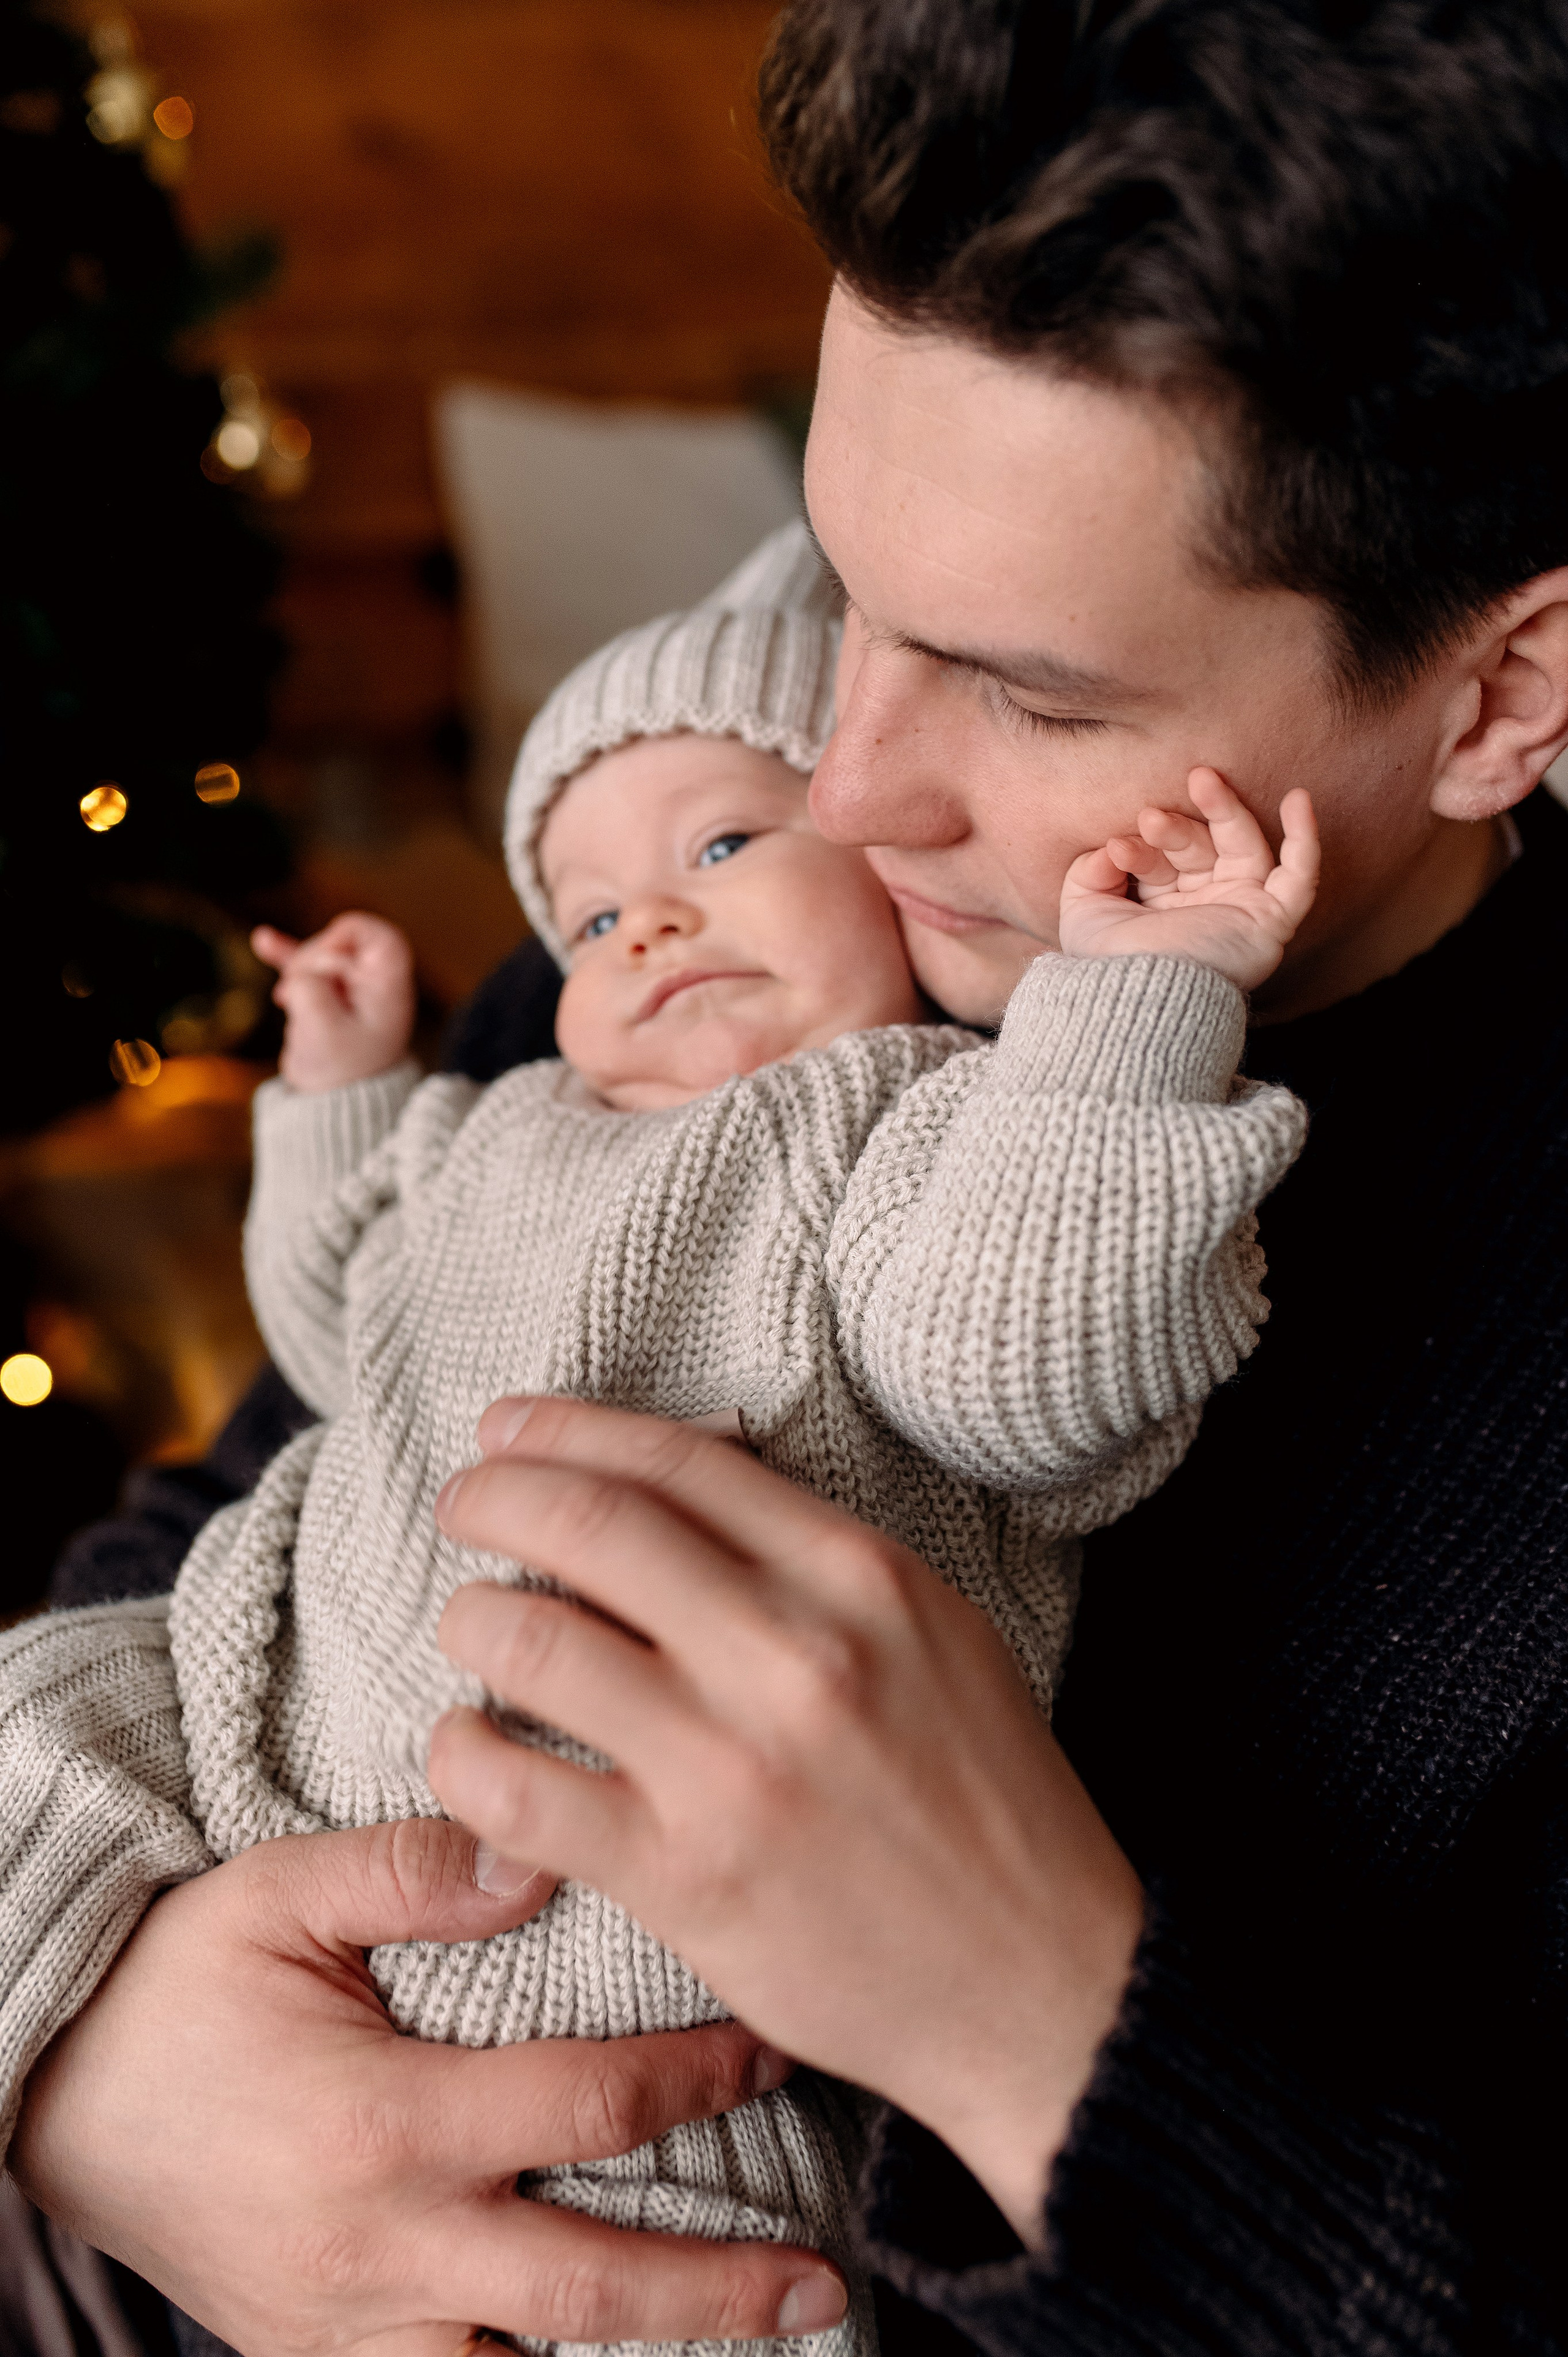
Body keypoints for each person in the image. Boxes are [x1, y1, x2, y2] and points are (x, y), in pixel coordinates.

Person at [12, 1, 1568, 2350]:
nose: (842, 788)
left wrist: (1030, 2007)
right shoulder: (747, 941)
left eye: (1035, 699)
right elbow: (249, 1517)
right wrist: (102, 2076)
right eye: (843, 586)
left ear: (1504, 695)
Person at [3, 519, 1312, 2353]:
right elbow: (338, 1317)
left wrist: (1131, 1009)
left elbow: (1021, 1347)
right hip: (256, 1713)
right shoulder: (516, 1100)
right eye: (596, 916)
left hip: (621, 1919)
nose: (654, 926)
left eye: (720, 846)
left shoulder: (908, 1117)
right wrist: (336, 1097)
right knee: (22, 1731)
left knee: (679, 2259)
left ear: (892, 883)